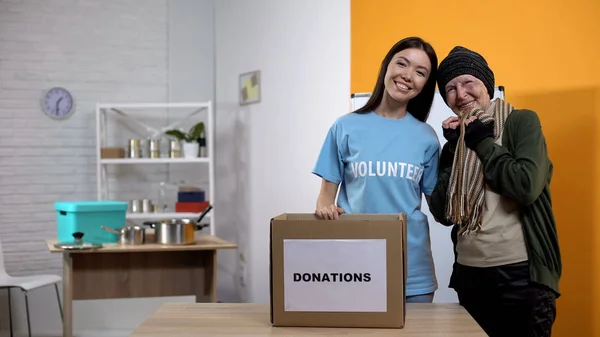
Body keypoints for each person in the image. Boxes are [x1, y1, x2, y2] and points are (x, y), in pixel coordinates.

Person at [429, 46, 562, 336]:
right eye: (450, 88)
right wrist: (455, 148)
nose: (460, 94)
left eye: (468, 83)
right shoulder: (457, 140)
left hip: (522, 273)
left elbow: (525, 186)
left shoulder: (521, 121)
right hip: (470, 272)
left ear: (486, 85)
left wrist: (482, 142)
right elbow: (442, 212)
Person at [312, 37, 441, 303]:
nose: (408, 76)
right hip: (355, 264)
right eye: (402, 64)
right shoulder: (345, 127)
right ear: (386, 66)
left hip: (412, 268)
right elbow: (325, 198)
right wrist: (326, 211)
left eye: (420, 72)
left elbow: (441, 206)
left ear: (425, 85)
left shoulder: (427, 137)